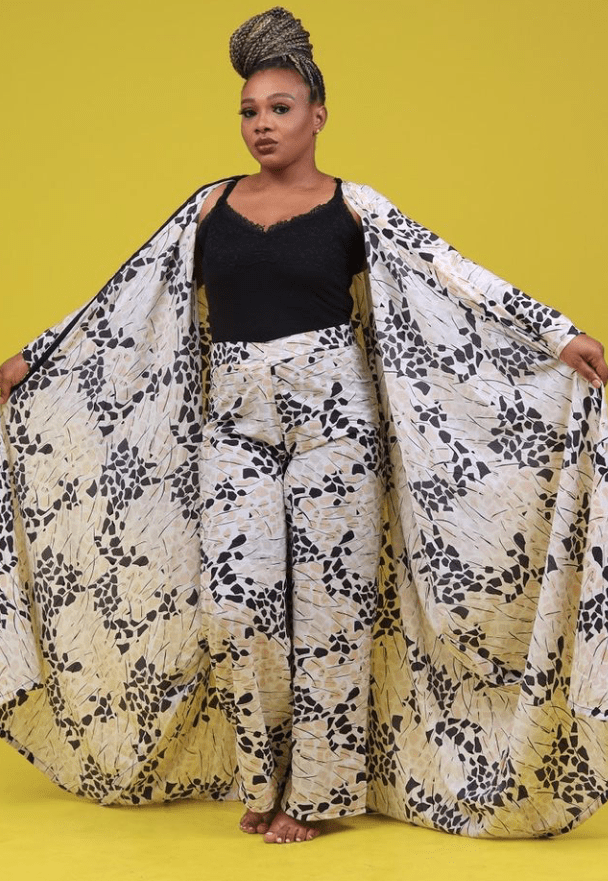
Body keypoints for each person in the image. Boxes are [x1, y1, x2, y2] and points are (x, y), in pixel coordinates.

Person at [1, 6, 608, 845]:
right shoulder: (207, 207)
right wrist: (29, 360)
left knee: (331, 612)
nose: (262, 124)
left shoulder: (354, 207)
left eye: (280, 108)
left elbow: (451, 272)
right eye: (249, 111)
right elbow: (123, 294)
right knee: (239, 606)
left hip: (336, 430)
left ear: (317, 115)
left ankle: (316, 796)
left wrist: (558, 335)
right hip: (234, 428)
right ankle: (264, 775)